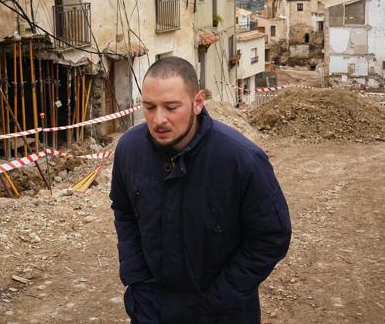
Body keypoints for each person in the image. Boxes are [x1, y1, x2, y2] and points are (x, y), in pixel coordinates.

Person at [110, 56, 291, 324]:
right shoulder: (129, 149)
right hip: (151, 310)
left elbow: (271, 236)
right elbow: (124, 211)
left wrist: (220, 299)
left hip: (222, 315)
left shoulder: (240, 159)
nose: (159, 119)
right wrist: (136, 278)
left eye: (171, 107)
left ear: (197, 103)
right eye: (149, 107)